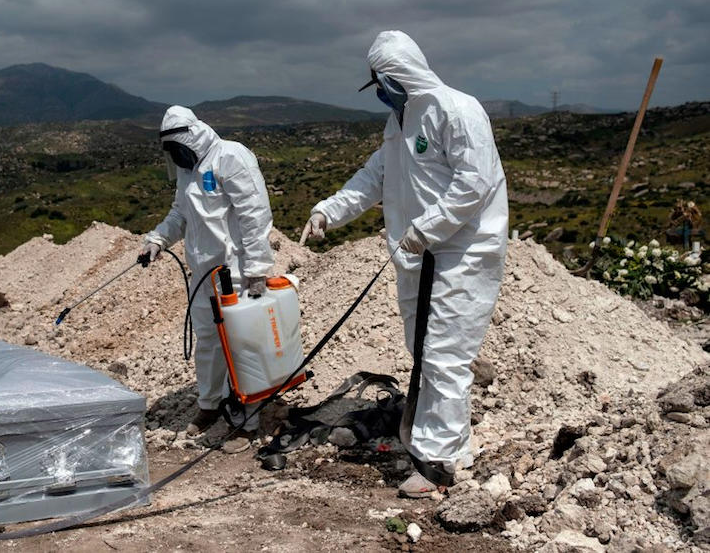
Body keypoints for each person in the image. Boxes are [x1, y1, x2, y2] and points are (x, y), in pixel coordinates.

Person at [300, 31, 508, 497]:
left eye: (383, 82)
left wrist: (427, 227)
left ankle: (440, 463)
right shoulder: (399, 123)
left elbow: (475, 183)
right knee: (424, 352)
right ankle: (448, 442)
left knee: (445, 356)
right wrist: (327, 212)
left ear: (400, 76)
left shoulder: (457, 110)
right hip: (417, 255)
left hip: (461, 255)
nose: (380, 92)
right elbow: (374, 177)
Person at [141, 105, 274, 454]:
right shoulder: (188, 172)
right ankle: (210, 404)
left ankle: (250, 418)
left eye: (178, 149)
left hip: (238, 274)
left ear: (191, 137)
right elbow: (179, 214)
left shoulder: (230, 156)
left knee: (242, 345)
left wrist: (258, 268)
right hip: (203, 276)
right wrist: (157, 239)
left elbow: (255, 213)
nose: (177, 157)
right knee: (208, 343)